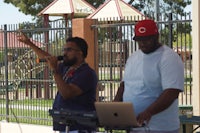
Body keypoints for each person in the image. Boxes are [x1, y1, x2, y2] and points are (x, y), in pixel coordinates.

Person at [17, 33, 98, 133]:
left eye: (69, 50)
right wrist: (29, 43)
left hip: (80, 127)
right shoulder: (65, 67)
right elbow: (47, 57)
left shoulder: (87, 73)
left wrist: (55, 70)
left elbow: (67, 93)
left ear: (80, 53)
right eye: (64, 50)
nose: (64, 53)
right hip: (65, 126)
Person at [114, 19, 184, 133]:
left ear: (156, 36)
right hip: (133, 127)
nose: (143, 43)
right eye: (139, 40)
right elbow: (124, 85)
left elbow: (172, 92)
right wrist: (115, 106)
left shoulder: (169, 57)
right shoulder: (133, 58)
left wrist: (149, 112)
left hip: (160, 128)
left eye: (147, 39)